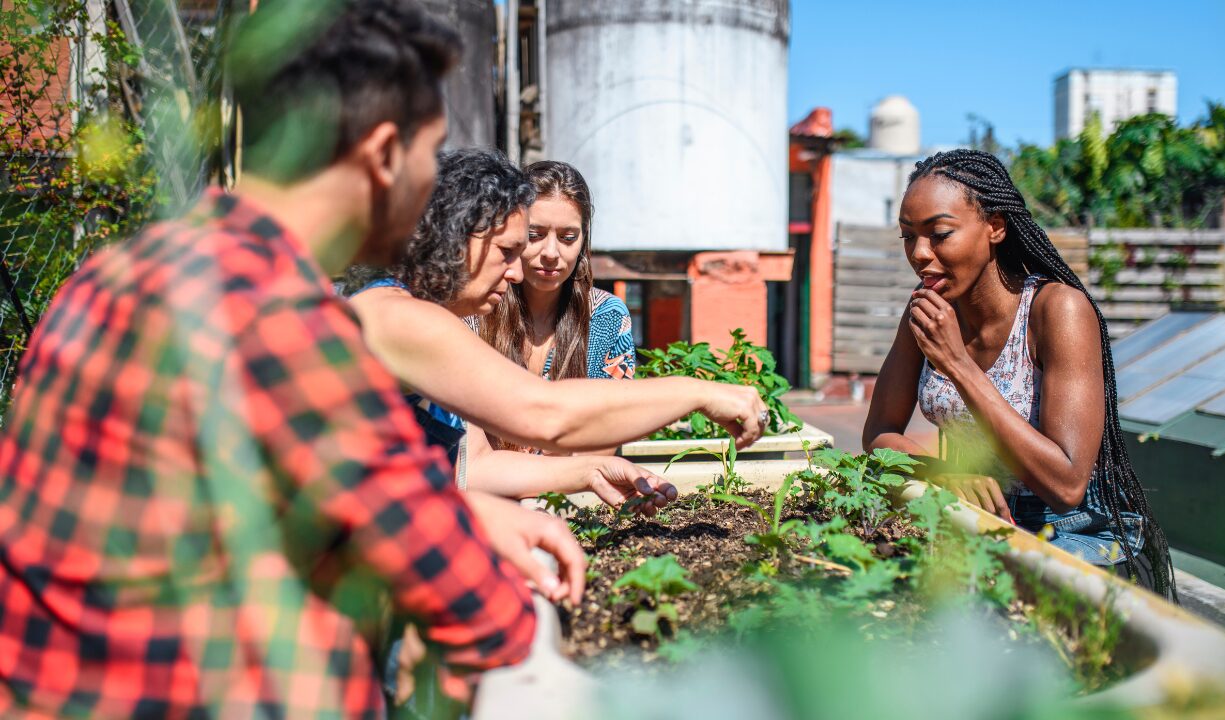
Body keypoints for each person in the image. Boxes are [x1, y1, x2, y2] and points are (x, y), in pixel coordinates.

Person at [0, 3, 585, 717]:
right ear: (382, 154)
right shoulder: (278, 320)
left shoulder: (111, 276)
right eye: (430, 157)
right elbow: (475, 606)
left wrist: (460, 515)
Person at [344, 149, 763, 510]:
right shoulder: (400, 317)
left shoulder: (410, 311)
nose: (515, 271)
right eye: (510, 250)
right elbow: (543, 413)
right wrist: (698, 391)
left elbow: (476, 467)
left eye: (566, 237)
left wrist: (591, 468)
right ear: (453, 237)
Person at [862, 149, 1175, 599]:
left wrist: (957, 364)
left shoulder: (1058, 311)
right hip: (979, 518)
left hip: (1073, 533)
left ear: (995, 227)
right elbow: (879, 436)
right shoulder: (928, 313)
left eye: (940, 234)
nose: (920, 254)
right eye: (908, 237)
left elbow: (1065, 484)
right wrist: (943, 474)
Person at [479, 160, 634, 382]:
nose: (551, 253)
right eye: (534, 235)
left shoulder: (606, 317)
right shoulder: (476, 311)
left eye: (567, 238)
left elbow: (617, 411)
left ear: (583, 238)